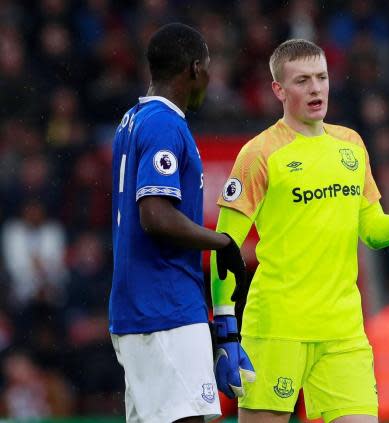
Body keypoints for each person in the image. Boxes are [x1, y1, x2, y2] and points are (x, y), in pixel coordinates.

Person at [210, 39, 389, 423]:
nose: (316, 88)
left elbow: (371, 230)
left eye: (321, 77)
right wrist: (225, 329)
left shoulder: (351, 145)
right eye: (302, 80)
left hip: (343, 331)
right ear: (278, 90)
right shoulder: (259, 153)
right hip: (277, 328)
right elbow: (225, 246)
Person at [109, 23, 248, 423]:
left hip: (140, 305)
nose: (210, 78)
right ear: (193, 69)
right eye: (208, 68)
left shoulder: (131, 119)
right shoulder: (164, 124)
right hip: (163, 306)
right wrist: (220, 242)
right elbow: (154, 215)